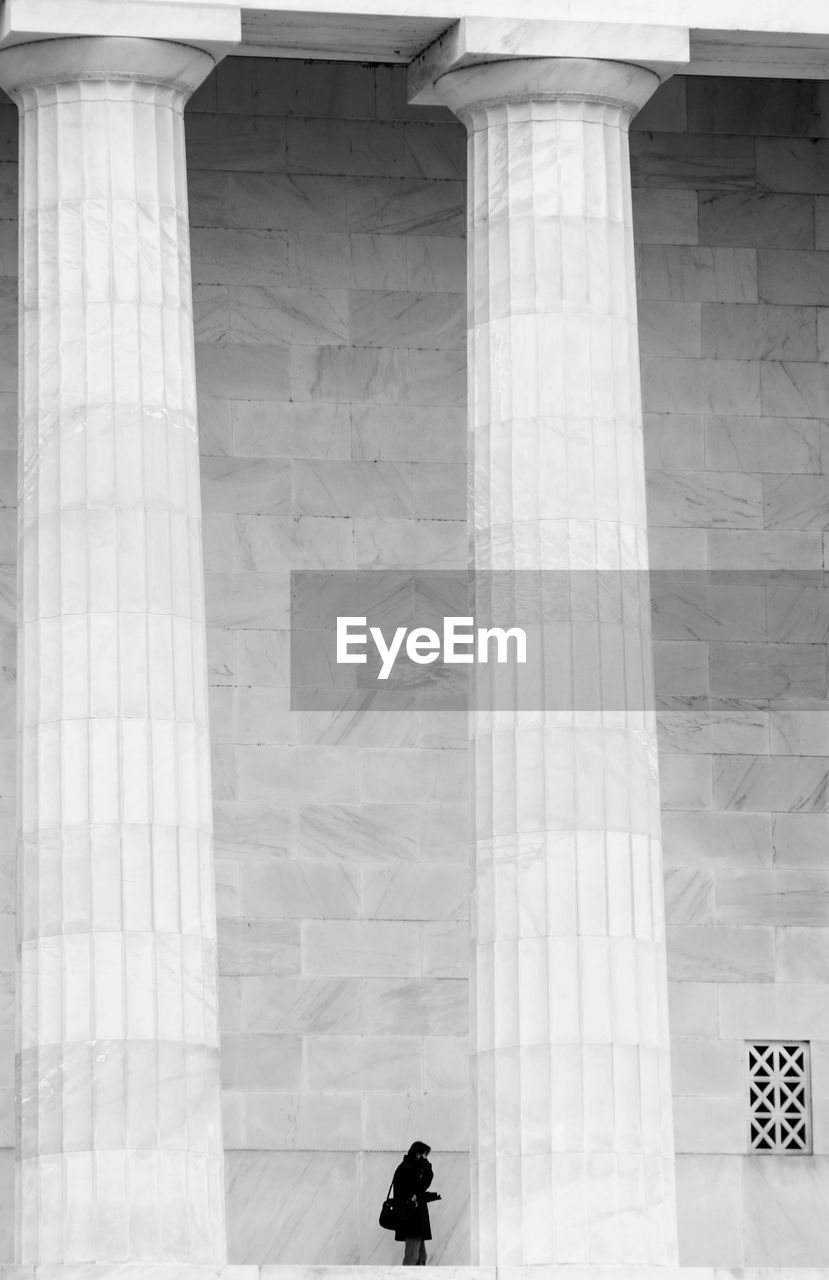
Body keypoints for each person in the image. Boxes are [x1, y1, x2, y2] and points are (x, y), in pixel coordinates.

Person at [391, 1140, 440, 1265]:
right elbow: (422, 1185)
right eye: (424, 1155)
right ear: (418, 1154)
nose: (425, 1158)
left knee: (421, 1257)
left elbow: (417, 1191)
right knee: (412, 1258)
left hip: (415, 1219)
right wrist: (426, 1165)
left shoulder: (410, 1167)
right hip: (412, 1220)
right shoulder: (407, 1169)